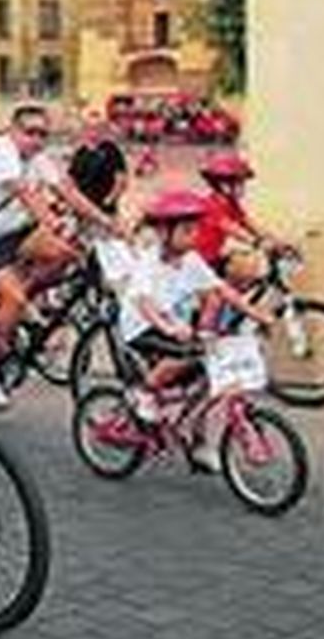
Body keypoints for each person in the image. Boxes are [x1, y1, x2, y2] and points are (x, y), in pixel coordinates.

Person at [111, 189, 274, 459]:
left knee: (211, 372)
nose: (194, 236)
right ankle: (144, 392)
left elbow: (221, 289)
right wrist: (167, 328)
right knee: (187, 355)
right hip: (141, 327)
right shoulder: (150, 262)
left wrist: (255, 313)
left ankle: (195, 434)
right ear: (164, 232)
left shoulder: (191, 260)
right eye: (187, 231)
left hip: (175, 325)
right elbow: (143, 302)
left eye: (195, 230)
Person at [0, 104, 121, 357]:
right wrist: (53, 222)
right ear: (12, 131)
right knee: (15, 300)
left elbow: (67, 191)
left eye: (43, 134)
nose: (36, 140)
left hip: (19, 233)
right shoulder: (0, 153)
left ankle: (25, 302)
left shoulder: (37, 158)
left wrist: (107, 222)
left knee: (69, 253)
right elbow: (26, 194)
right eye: (30, 132)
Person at [193, 152, 290, 290]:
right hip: (199, 263)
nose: (242, 186)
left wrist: (278, 241)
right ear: (222, 183)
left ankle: (233, 299)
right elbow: (232, 229)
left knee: (250, 267)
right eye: (238, 182)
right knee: (243, 267)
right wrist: (257, 243)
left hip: (214, 258)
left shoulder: (232, 205)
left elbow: (251, 225)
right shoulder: (210, 204)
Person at [66, 113, 129, 221]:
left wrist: (110, 199)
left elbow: (121, 178)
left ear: (103, 130)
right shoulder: (80, 153)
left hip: (104, 208)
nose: (93, 132)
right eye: (89, 128)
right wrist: (74, 201)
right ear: (85, 130)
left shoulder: (111, 150)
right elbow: (71, 180)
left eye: (97, 128)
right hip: (83, 209)